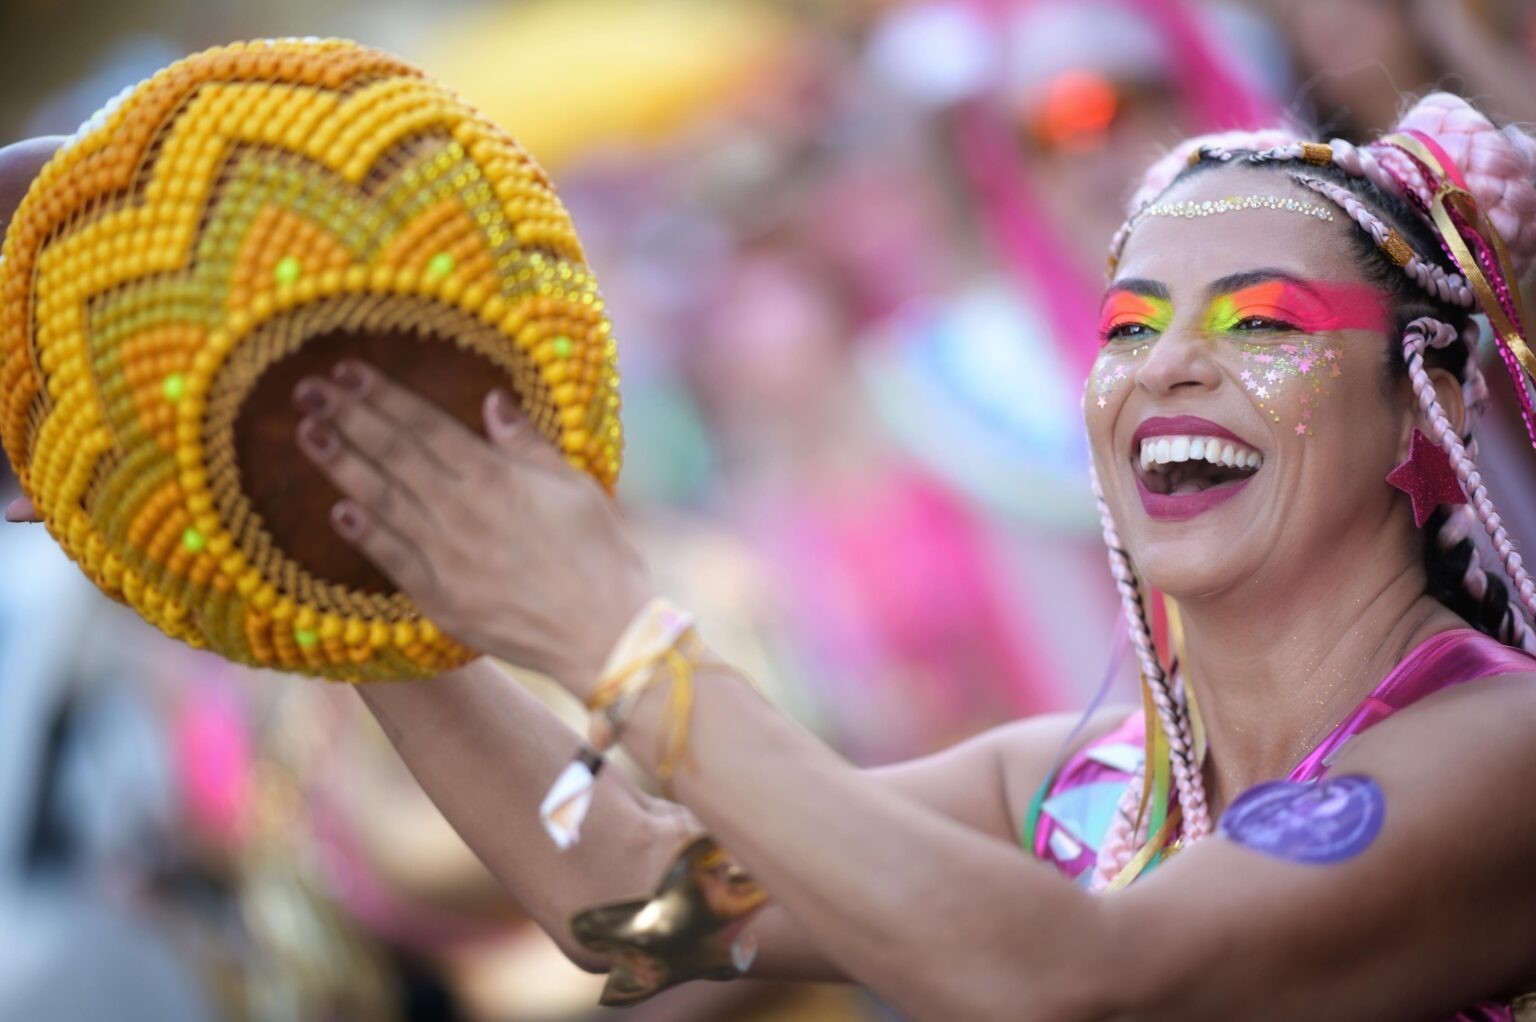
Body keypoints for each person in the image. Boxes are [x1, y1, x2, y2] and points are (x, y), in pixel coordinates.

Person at [9, 90, 1536, 1018]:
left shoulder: (1498, 751)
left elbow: (1079, 983)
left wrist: (619, 629)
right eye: (1129, 326)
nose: (1166, 369)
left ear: (1433, 395)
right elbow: (624, 902)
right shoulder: (1069, 782)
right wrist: (356, 563)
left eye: (1260, 323)